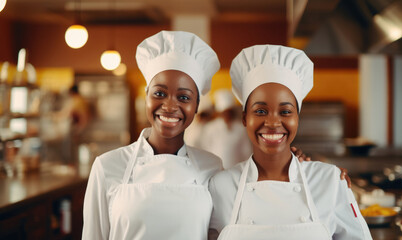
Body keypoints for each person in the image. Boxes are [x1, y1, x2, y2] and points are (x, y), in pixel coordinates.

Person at [208, 45, 372, 239]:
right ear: (244, 118)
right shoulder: (220, 186)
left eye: (285, 112)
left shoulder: (329, 181)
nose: (272, 122)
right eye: (260, 111)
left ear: (297, 118)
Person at [82, 31, 223, 240]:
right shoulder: (106, 167)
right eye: (159, 93)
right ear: (146, 96)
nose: (169, 106)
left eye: (184, 97)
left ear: (196, 107)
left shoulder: (212, 168)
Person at [205, 89, 251, 169]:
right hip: (215, 169)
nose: (227, 115)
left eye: (229, 112)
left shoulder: (240, 128)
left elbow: (246, 151)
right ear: (219, 113)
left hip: (236, 169)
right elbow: (206, 149)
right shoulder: (211, 128)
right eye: (224, 113)